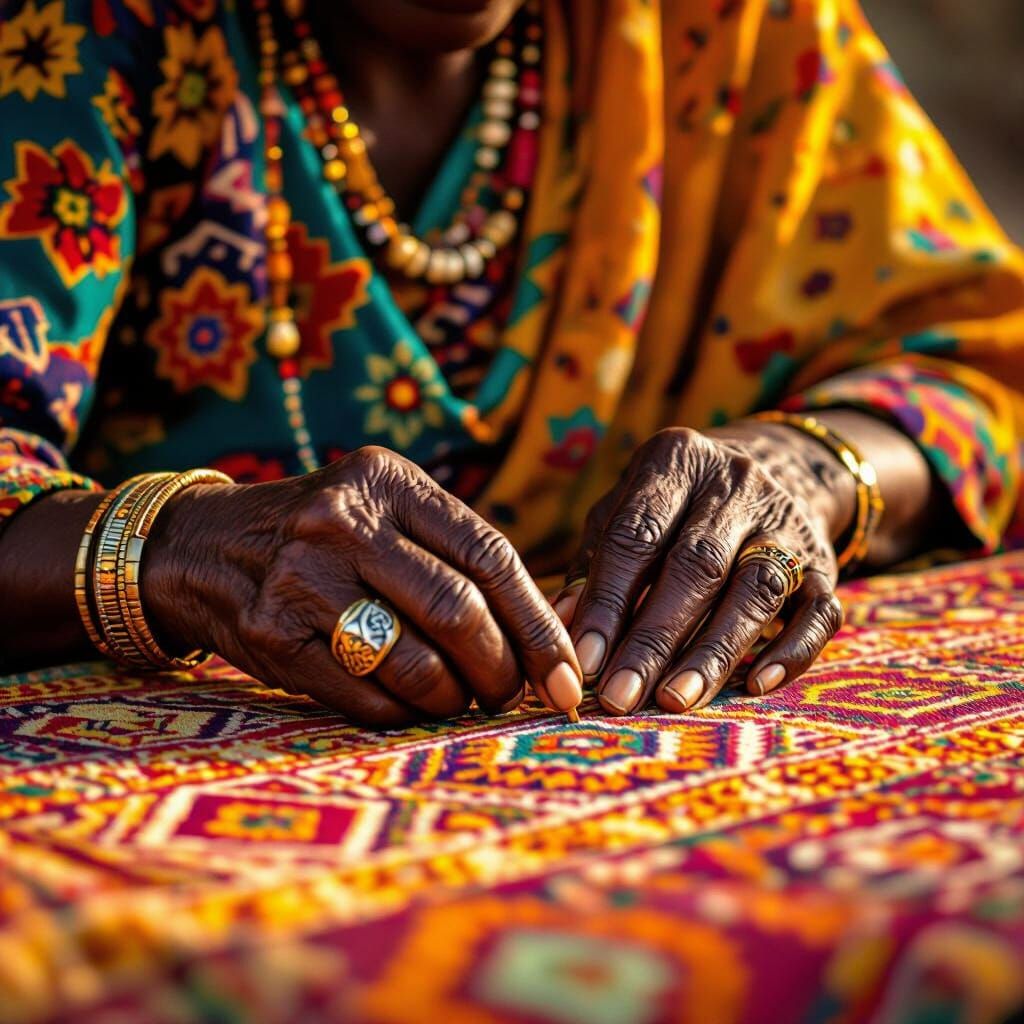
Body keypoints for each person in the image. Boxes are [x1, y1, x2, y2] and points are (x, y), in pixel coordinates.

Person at [0, 0, 1021, 727]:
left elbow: (979, 361)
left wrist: (809, 465)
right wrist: (167, 550)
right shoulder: (66, 38)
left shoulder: (721, 31)